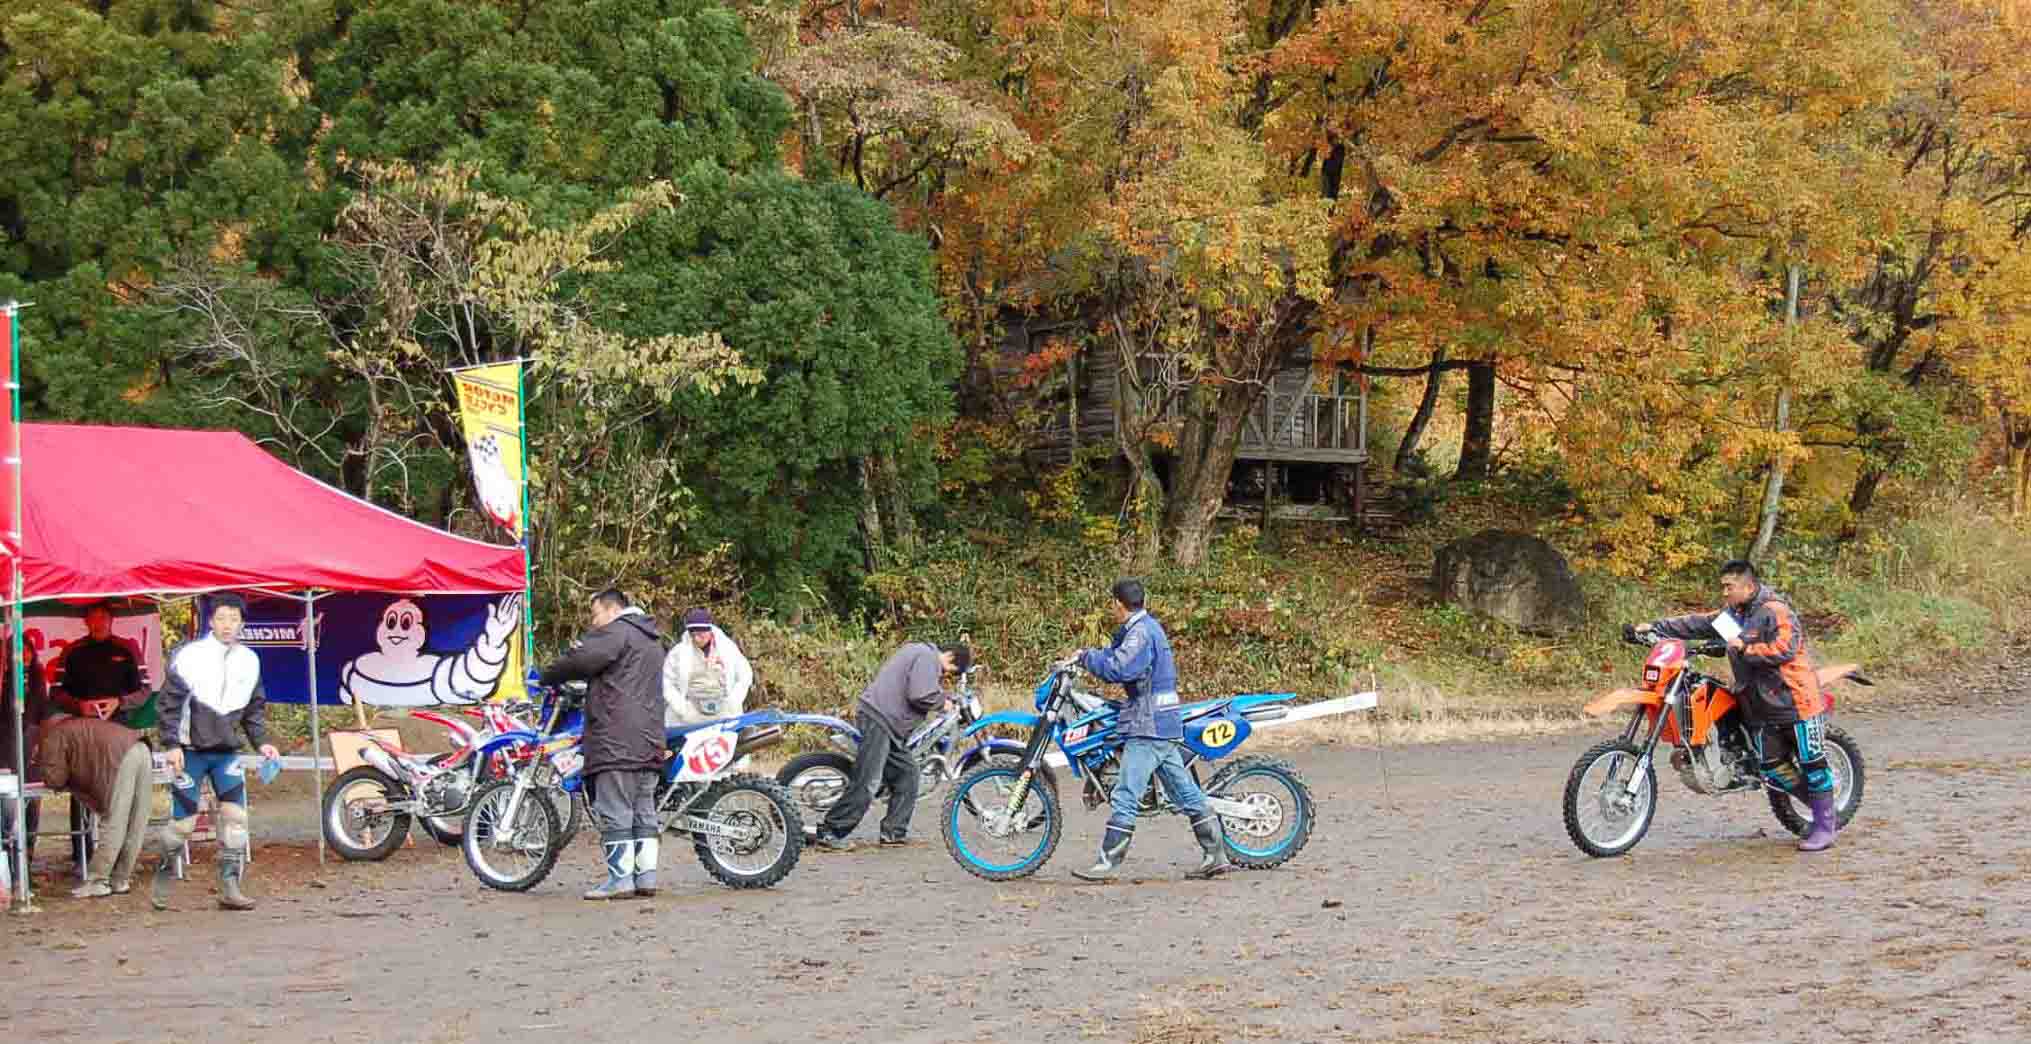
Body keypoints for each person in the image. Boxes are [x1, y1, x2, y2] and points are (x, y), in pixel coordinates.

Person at [1635, 559, 1838, 852]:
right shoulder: (1733, 615)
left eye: (1729, 587)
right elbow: (1698, 623)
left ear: (1749, 586)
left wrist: (1747, 648)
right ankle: (1821, 809)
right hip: (1757, 703)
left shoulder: (1774, 611)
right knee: (1771, 767)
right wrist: (1656, 627)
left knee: (1813, 762)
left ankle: (1824, 827)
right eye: (1723, 587)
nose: (1725, 593)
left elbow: (1787, 646)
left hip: (1794, 700)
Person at [1067, 578, 1229, 882]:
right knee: (1186, 792)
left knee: (1126, 791)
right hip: (1161, 720)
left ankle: (1107, 863)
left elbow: (1119, 668)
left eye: (1111, 603)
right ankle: (1216, 856)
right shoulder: (1145, 627)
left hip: (1148, 722)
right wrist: (1088, 654)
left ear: (1118, 603)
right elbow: (1116, 656)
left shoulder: (1140, 632)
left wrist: (1087, 658)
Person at [147, 594, 279, 911]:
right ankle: (163, 876)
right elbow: (168, 703)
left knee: (236, 818)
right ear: (211, 621)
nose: (227, 625)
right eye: (221, 618)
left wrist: (262, 741)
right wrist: (171, 744)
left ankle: (230, 886)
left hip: (226, 753)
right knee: (183, 825)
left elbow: (254, 708)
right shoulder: (190, 656)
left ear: (242, 624)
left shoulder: (249, 660)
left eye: (233, 618)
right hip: (190, 751)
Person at [539, 588, 666, 900]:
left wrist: (546, 676)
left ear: (611, 610)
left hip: (616, 737)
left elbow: (581, 659)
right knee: (643, 810)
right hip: (650, 738)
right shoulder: (652, 639)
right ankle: (645, 878)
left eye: (595, 614)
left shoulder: (617, 633)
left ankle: (620, 880)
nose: (594, 623)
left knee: (615, 808)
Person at [811, 639, 971, 852]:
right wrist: (943, 703)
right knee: (869, 781)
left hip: (889, 724)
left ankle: (893, 833)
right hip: (880, 719)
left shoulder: (919, 651)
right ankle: (831, 832)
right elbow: (920, 694)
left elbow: (921, 688)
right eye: (951, 671)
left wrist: (944, 697)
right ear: (950, 657)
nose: (946, 676)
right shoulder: (928, 658)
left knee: (908, 773)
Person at [33, 717, 152, 898]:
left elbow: (54, 778)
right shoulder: (79, 725)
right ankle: (120, 879)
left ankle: (98, 881)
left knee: (115, 822)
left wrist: (40, 760)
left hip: (119, 758)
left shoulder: (54, 734)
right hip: (140, 748)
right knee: (137, 821)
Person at [52, 603, 151, 729]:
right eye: (93, 618)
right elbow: (55, 693)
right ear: (86, 622)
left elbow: (145, 691)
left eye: (103, 617)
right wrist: (79, 706)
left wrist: (119, 702)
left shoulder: (128, 648)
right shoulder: (71, 651)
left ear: (111, 620)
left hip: (119, 725)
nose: (98, 623)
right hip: (81, 725)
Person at [1, 633, 49, 887]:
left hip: (31, 752)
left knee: (32, 807)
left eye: (28, 649)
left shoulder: (40, 679)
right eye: (18, 650)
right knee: (9, 809)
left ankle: (27, 863)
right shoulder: (4, 679)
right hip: (7, 751)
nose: (25, 655)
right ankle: (9, 864)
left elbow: (44, 715)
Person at [662, 608, 753, 725]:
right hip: (689, 715)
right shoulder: (678, 653)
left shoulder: (728, 649)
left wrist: (733, 701)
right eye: (692, 635)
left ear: (710, 631)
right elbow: (667, 683)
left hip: (724, 711)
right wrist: (681, 708)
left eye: (700, 634)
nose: (696, 639)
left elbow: (745, 675)